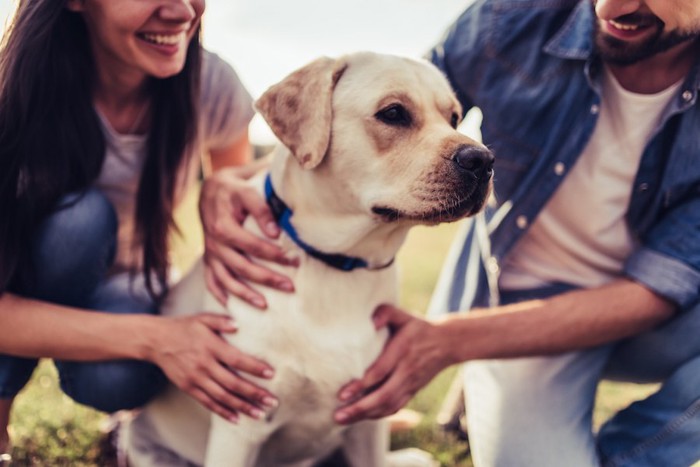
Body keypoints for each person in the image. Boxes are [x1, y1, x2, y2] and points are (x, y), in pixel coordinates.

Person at [212, 0, 700, 465]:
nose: (608, 9)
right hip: (513, 306)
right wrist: (230, 181)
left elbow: (659, 289)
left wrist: (450, 340)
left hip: (650, 321)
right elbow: (384, 99)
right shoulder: (514, 18)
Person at [0, 0, 282, 460]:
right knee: (79, 223)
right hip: (19, 286)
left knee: (119, 378)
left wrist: (226, 186)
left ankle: (130, 426)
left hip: (126, 288)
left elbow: (243, 202)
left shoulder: (212, 84)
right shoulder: (16, 92)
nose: (181, 11)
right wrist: (159, 338)